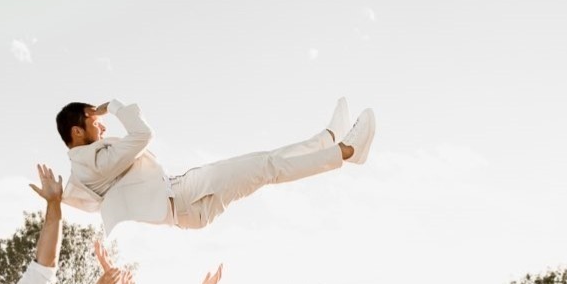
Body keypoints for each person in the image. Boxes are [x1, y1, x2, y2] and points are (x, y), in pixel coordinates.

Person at [57, 97, 375, 234]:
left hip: (183, 197)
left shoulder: (86, 164)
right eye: (94, 121)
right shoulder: (89, 162)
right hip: (183, 199)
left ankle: (328, 139)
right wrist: (112, 105)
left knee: (264, 163)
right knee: (265, 166)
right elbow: (142, 134)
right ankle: (345, 151)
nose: (102, 126)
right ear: (76, 131)